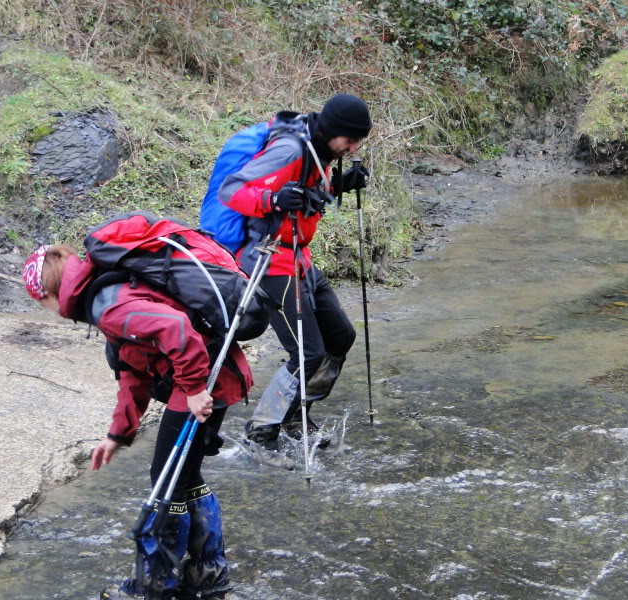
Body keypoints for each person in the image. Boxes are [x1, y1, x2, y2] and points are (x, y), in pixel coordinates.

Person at [22, 244, 252, 600]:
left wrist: (192, 390)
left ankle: (156, 587)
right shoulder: (104, 293)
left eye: (42, 303)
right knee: (184, 478)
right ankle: (208, 578)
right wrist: (118, 433)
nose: (49, 312)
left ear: (51, 293)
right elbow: (133, 369)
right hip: (216, 377)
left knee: (165, 483)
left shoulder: (108, 305)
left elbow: (174, 327)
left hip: (203, 381)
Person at [218, 93, 372, 456]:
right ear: (334, 131)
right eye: (350, 140)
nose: (352, 148)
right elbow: (232, 190)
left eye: (357, 143)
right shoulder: (289, 149)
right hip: (270, 261)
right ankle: (261, 430)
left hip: (300, 259)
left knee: (341, 337)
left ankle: (295, 418)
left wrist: (340, 185)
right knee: (307, 354)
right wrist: (272, 200)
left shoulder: (321, 151)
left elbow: (306, 195)